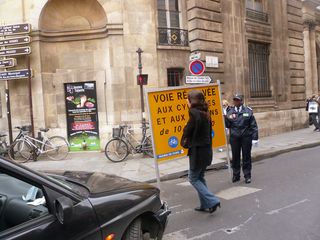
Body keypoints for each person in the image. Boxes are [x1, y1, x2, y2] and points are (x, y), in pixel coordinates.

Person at [182, 90, 221, 213]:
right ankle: (205, 204)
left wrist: (185, 137)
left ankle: (212, 200)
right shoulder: (205, 113)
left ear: (192, 101)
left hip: (198, 153)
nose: (186, 102)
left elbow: (188, 131)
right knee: (200, 177)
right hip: (206, 151)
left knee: (193, 178)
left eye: (188, 99)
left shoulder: (194, 113)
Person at [225, 93, 258, 184]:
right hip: (234, 138)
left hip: (246, 137)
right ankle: (236, 175)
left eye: (238, 100)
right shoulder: (230, 111)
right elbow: (228, 125)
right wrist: (225, 117)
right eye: (234, 100)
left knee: (246, 157)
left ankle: (247, 175)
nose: (236, 101)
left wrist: (255, 138)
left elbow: (253, 125)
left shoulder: (248, 111)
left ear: (241, 101)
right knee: (235, 157)